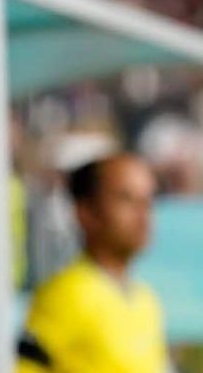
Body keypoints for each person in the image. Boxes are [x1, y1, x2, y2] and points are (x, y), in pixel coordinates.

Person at [16, 153, 167, 373]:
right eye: (126, 199)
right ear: (85, 211)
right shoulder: (64, 296)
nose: (143, 214)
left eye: (148, 200)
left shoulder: (147, 300)